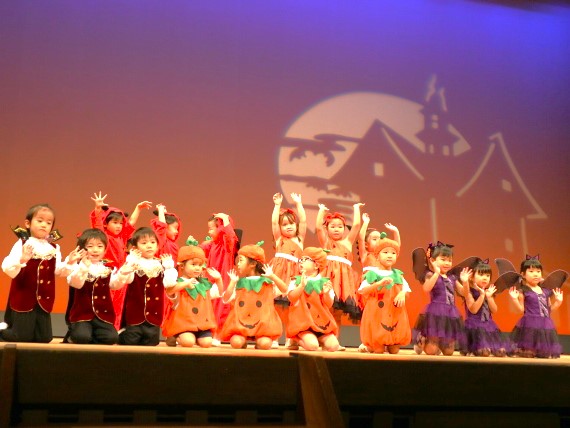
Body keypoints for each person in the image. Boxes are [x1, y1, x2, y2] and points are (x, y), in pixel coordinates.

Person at [1, 204, 79, 342]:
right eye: (40, 220)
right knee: (21, 337)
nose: (44, 225)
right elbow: (7, 267)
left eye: (48, 223)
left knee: (44, 338)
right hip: (24, 298)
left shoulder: (53, 247)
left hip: (44, 299)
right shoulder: (22, 243)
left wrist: (70, 262)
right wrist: (22, 259)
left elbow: (57, 270)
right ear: (28, 223)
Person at [89, 192, 152, 330]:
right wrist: (98, 209)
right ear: (106, 224)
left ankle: (115, 329)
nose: (119, 226)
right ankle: (103, 328)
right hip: (107, 274)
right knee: (106, 302)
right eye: (115, 223)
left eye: (120, 223)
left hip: (121, 274)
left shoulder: (122, 237)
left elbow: (131, 223)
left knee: (119, 304)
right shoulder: (103, 236)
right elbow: (97, 223)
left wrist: (138, 208)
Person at [110, 227, 177, 346]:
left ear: (157, 246)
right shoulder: (134, 264)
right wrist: (130, 262)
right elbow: (125, 280)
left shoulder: (161, 265)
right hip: (135, 315)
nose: (149, 246)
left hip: (154, 315)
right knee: (130, 341)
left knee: (151, 343)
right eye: (144, 243)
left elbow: (169, 284)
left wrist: (169, 267)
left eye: (152, 242)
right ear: (135, 248)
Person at [219, 242, 287, 350]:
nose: (238, 264)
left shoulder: (267, 283)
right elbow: (226, 298)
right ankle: (243, 342)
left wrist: (272, 276)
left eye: (241, 260)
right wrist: (232, 283)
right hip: (241, 326)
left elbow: (284, 289)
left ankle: (259, 343)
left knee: (265, 344)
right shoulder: (239, 282)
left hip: (262, 327)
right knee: (236, 343)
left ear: (253, 264)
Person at [357, 221, 410, 354]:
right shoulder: (372, 273)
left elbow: (406, 289)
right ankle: (370, 345)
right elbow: (363, 290)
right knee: (378, 350)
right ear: (377, 255)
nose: (389, 255)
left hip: (393, 313)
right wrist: (378, 284)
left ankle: (386, 342)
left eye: (393, 253)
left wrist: (402, 294)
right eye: (385, 252)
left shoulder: (398, 274)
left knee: (394, 350)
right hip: (377, 311)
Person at [161, 244, 222, 348]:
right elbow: (169, 291)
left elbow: (218, 292)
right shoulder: (178, 282)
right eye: (193, 264)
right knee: (188, 342)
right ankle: (174, 336)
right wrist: (186, 283)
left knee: (207, 343)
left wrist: (219, 279)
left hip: (202, 324)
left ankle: (197, 338)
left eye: (200, 265)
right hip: (183, 325)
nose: (197, 268)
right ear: (182, 266)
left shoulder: (203, 284)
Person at [65, 229, 118, 345]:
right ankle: (76, 334)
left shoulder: (108, 268)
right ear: (82, 249)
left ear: (105, 249)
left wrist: (124, 272)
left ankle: (91, 336)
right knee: (82, 337)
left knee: (112, 338)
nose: (95, 250)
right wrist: (84, 267)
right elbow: (76, 284)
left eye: (100, 246)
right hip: (82, 314)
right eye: (90, 246)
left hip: (102, 314)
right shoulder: (76, 266)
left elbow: (115, 285)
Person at [412, 242, 466, 356]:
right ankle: (422, 340)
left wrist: (465, 282)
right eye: (443, 259)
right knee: (431, 351)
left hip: (450, 313)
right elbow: (426, 288)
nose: (447, 263)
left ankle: (439, 344)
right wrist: (436, 273)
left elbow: (463, 292)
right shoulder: (430, 275)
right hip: (436, 312)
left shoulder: (452, 277)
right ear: (432, 260)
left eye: (449, 260)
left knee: (449, 352)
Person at [268, 192, 307, 348]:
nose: (289, 227)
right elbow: (273, 223)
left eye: (291, 224)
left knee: (292, 308)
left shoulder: (299, 239)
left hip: (294, 275)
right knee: (276, 307)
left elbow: (303, 220)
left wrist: (298, 203)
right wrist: (277, 205)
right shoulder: (279, 239)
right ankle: (274, 337)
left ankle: (291, 338)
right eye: (284, 225)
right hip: (279, 273)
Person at [508, 256, 564, 358]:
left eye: (538, 271)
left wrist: (558, 302)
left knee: (544, 355)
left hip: (545, 325)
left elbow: (548, 310)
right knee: (529, 353)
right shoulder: (523, 291)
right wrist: (514, 299)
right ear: (523, 274)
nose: (536, 274)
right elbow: (521, 310)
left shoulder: (545, 291)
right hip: (530, 325)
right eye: (531, 271)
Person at [315, 202, 364, 320]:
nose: (336, 229)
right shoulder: (326, 242)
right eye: (332, 227)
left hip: (343, 281)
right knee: (325, 309)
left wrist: (356, 208)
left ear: (344, 228)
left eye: (340, 227)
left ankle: (335, 332)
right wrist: (321, 211)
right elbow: (318, 228)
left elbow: (356, 225)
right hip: (328, 278)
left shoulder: (348, 242)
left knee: (337, 313)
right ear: (327, 229)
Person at [286, 247, 339, 352]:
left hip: (321, 323)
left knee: (333, 346)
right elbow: (291, 298)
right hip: (303, 324)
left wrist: (326, 293)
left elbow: (329, 304)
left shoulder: (325, 282)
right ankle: (295, 338)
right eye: (301, 259)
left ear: (316, 265)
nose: (301, 262)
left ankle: (318, 340)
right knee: (312, 346)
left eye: (305, 259)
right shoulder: (296, 280)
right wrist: (301, 286)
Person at [199, 212, 239, 343]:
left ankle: (217, 335)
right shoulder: (213, 244)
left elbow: (230, 236)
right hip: (211, 280)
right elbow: (202, 249)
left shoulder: (227, 245)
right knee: (210, 306)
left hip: (223, 279)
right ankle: (208, 332)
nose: (209, 232)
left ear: (220, 229)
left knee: (220, 307)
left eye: (211, 229)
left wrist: (225, 219)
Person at [460, 260, 507, 357]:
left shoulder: (489, 291)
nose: (485, 278)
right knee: (484, 352)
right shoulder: (469, 291)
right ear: (472, 277)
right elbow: (473, 309)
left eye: (488, 275)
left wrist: (489, 297)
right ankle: (475, 349)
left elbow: (494, 310)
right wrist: (482, 296)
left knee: (501, 352)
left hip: (489, 325)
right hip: (475, 326)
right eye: (481, 275)